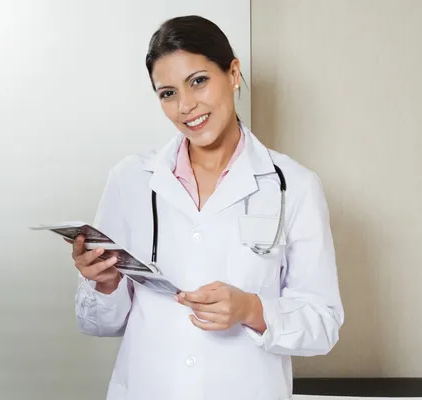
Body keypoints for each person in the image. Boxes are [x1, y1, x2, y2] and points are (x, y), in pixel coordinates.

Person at [71, 15, 344, 400]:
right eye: (167, 93)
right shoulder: (130, 179)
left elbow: (323, 324)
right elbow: (97, 324)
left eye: (198, 81)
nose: (185, 106)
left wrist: (251, 309)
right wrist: (104, 282)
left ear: (233, 74)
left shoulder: (294, 186)